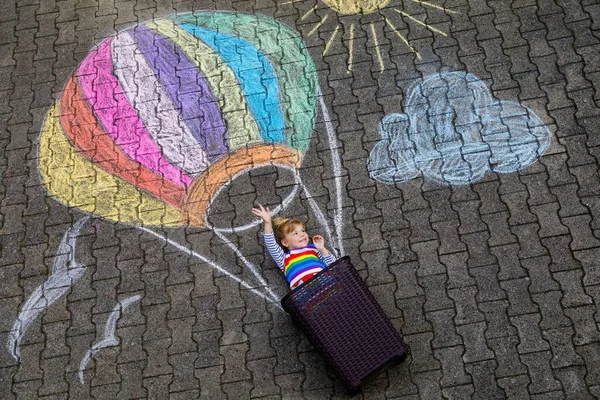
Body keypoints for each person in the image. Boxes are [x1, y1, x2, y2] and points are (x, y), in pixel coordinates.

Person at [252, 204, 337, 290]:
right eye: (295, 233)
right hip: (305, 296)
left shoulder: (314, 249)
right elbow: (271, 243)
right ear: (285, 242)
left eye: (303, 231)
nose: (302, 234)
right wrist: (267, 222)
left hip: (328, 286)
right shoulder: (284, 259)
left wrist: (322, 249)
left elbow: (333, 265)